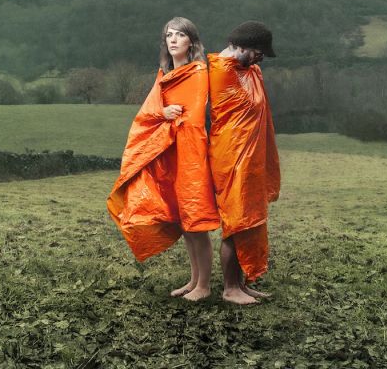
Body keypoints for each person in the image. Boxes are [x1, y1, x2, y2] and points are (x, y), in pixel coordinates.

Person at [107, 17, 220, 301]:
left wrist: (169, 118)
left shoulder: (197, 72)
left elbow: (193, 120)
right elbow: (148, 113)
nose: (173, 40)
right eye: (169, 35)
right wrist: (163, 114)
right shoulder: (165, 73)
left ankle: (204, 286)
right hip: (169, 154)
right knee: (183, 221)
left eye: (180, 35)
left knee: (195, 221)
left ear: (191, 42)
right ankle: (193, 280)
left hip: (191, 154)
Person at [208, 21, 281, 305]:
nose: (261, 59)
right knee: (236, 222)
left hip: (250, 160)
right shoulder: (221, 72)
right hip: (232, 159)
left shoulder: (247, 70)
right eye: (258, 52)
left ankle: (241, 284)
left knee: (248, 221)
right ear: (239, 46)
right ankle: (230, 289)